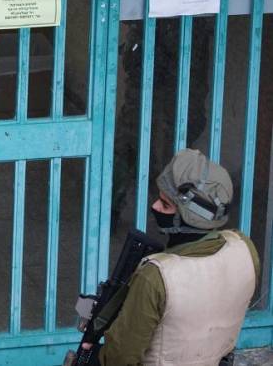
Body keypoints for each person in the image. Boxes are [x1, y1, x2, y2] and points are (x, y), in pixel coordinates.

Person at [83, 148, 260, 366]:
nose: (155, 206)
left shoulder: (156, 276)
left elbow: (120, 358)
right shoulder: (244, 249)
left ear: (188, 217)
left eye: (166, 204)